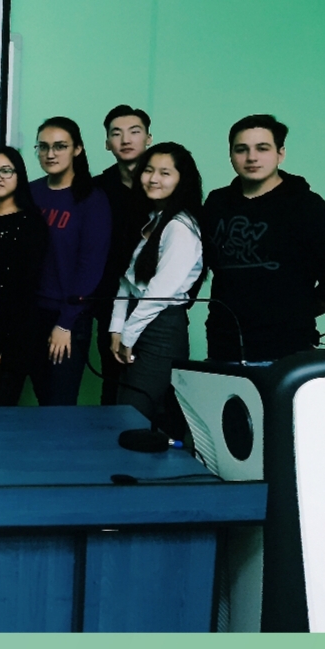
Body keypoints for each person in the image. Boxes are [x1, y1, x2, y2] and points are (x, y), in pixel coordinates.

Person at [202, 114, 325, 364]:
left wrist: (296, 312)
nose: (252, 157)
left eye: (262, 148)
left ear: (281, 153)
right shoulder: (217, 203)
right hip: (223, 347)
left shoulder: (308, 206)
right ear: (231, 155)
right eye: (241, 149)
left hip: (287, 350)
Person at [110, 143, 204, 450]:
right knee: (130, 417)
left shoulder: (181, 227)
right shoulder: (153, 219)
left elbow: (159, 294)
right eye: (148, 170)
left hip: (162, 328)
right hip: (140, 322)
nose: (153, 178)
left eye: (165, 173)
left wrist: (127, 334)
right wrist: (116, 328)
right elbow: (128, 282)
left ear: (182, 180)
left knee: (133, 419)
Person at [29, 116, 112, 406]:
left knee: (59, 405)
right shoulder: (30, 193)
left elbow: (91, 267)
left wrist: (65, 323)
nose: (50, 154)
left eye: (60, 146)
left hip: (68, 318)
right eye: (43, 147)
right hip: (32, 315)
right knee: (42, 400)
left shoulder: (92, 198)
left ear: (77, 149)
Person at [0, 146, 48, 406]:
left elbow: (23, 289)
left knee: (1, 408)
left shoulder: (32, 223)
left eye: (6, 171)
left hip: (16, 335)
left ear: (19, 175)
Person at [93, 105, 153, 404]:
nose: (126, 139)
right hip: (109, 301)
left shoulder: (162, 184)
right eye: (116, 133)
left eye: (134, 132)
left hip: (156, 300)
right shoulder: (97, 188)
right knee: (113, 382)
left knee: (152, 386)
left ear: (148, 139)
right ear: (107, 143)